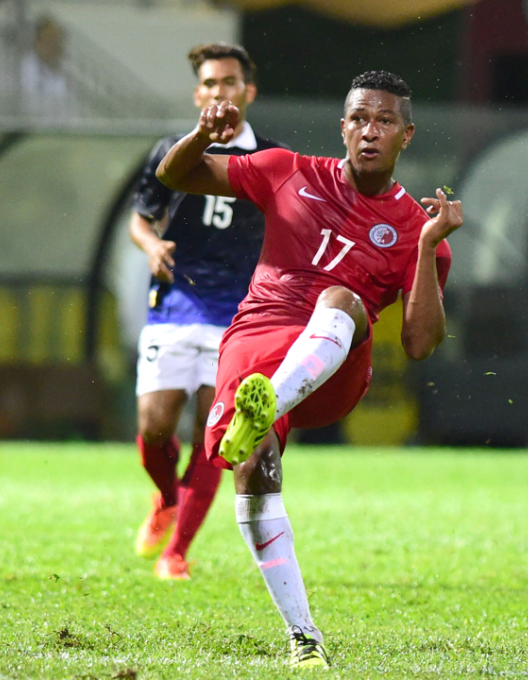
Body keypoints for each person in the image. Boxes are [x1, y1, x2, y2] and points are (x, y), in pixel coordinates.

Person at [155, 70, 459, 667]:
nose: (370, 131)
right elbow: (176, 175)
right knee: (253, 468)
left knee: (341, 297)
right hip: (257, 339)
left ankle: (267, 401)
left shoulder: (418, 230)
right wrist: (202, 134)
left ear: (406, 136)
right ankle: (304, 636)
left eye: (385, 121)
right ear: (342, 127)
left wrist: (427, 247)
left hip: (332, 368)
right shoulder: (286, 170)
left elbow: (420, 344)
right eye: (359, 119)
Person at [130, 43, 285, 581]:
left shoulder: (271, 159)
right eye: (211, 83)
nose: (221, 92)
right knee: (154, 428)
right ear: (199, 94)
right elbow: (141, 217)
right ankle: (167, 497)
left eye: (230, 82)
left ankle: (176, 552)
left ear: (249, 91)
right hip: (176, 301)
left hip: (237, 314)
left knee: (211, 435)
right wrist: (151, 245)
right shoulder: (172, 152)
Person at [19, 15, 74, 118]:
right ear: (37, 41)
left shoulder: (61, 70)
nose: (54, 45)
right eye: (49, 40)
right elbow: (28, 103)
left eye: (57, 40)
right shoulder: (26, 68)